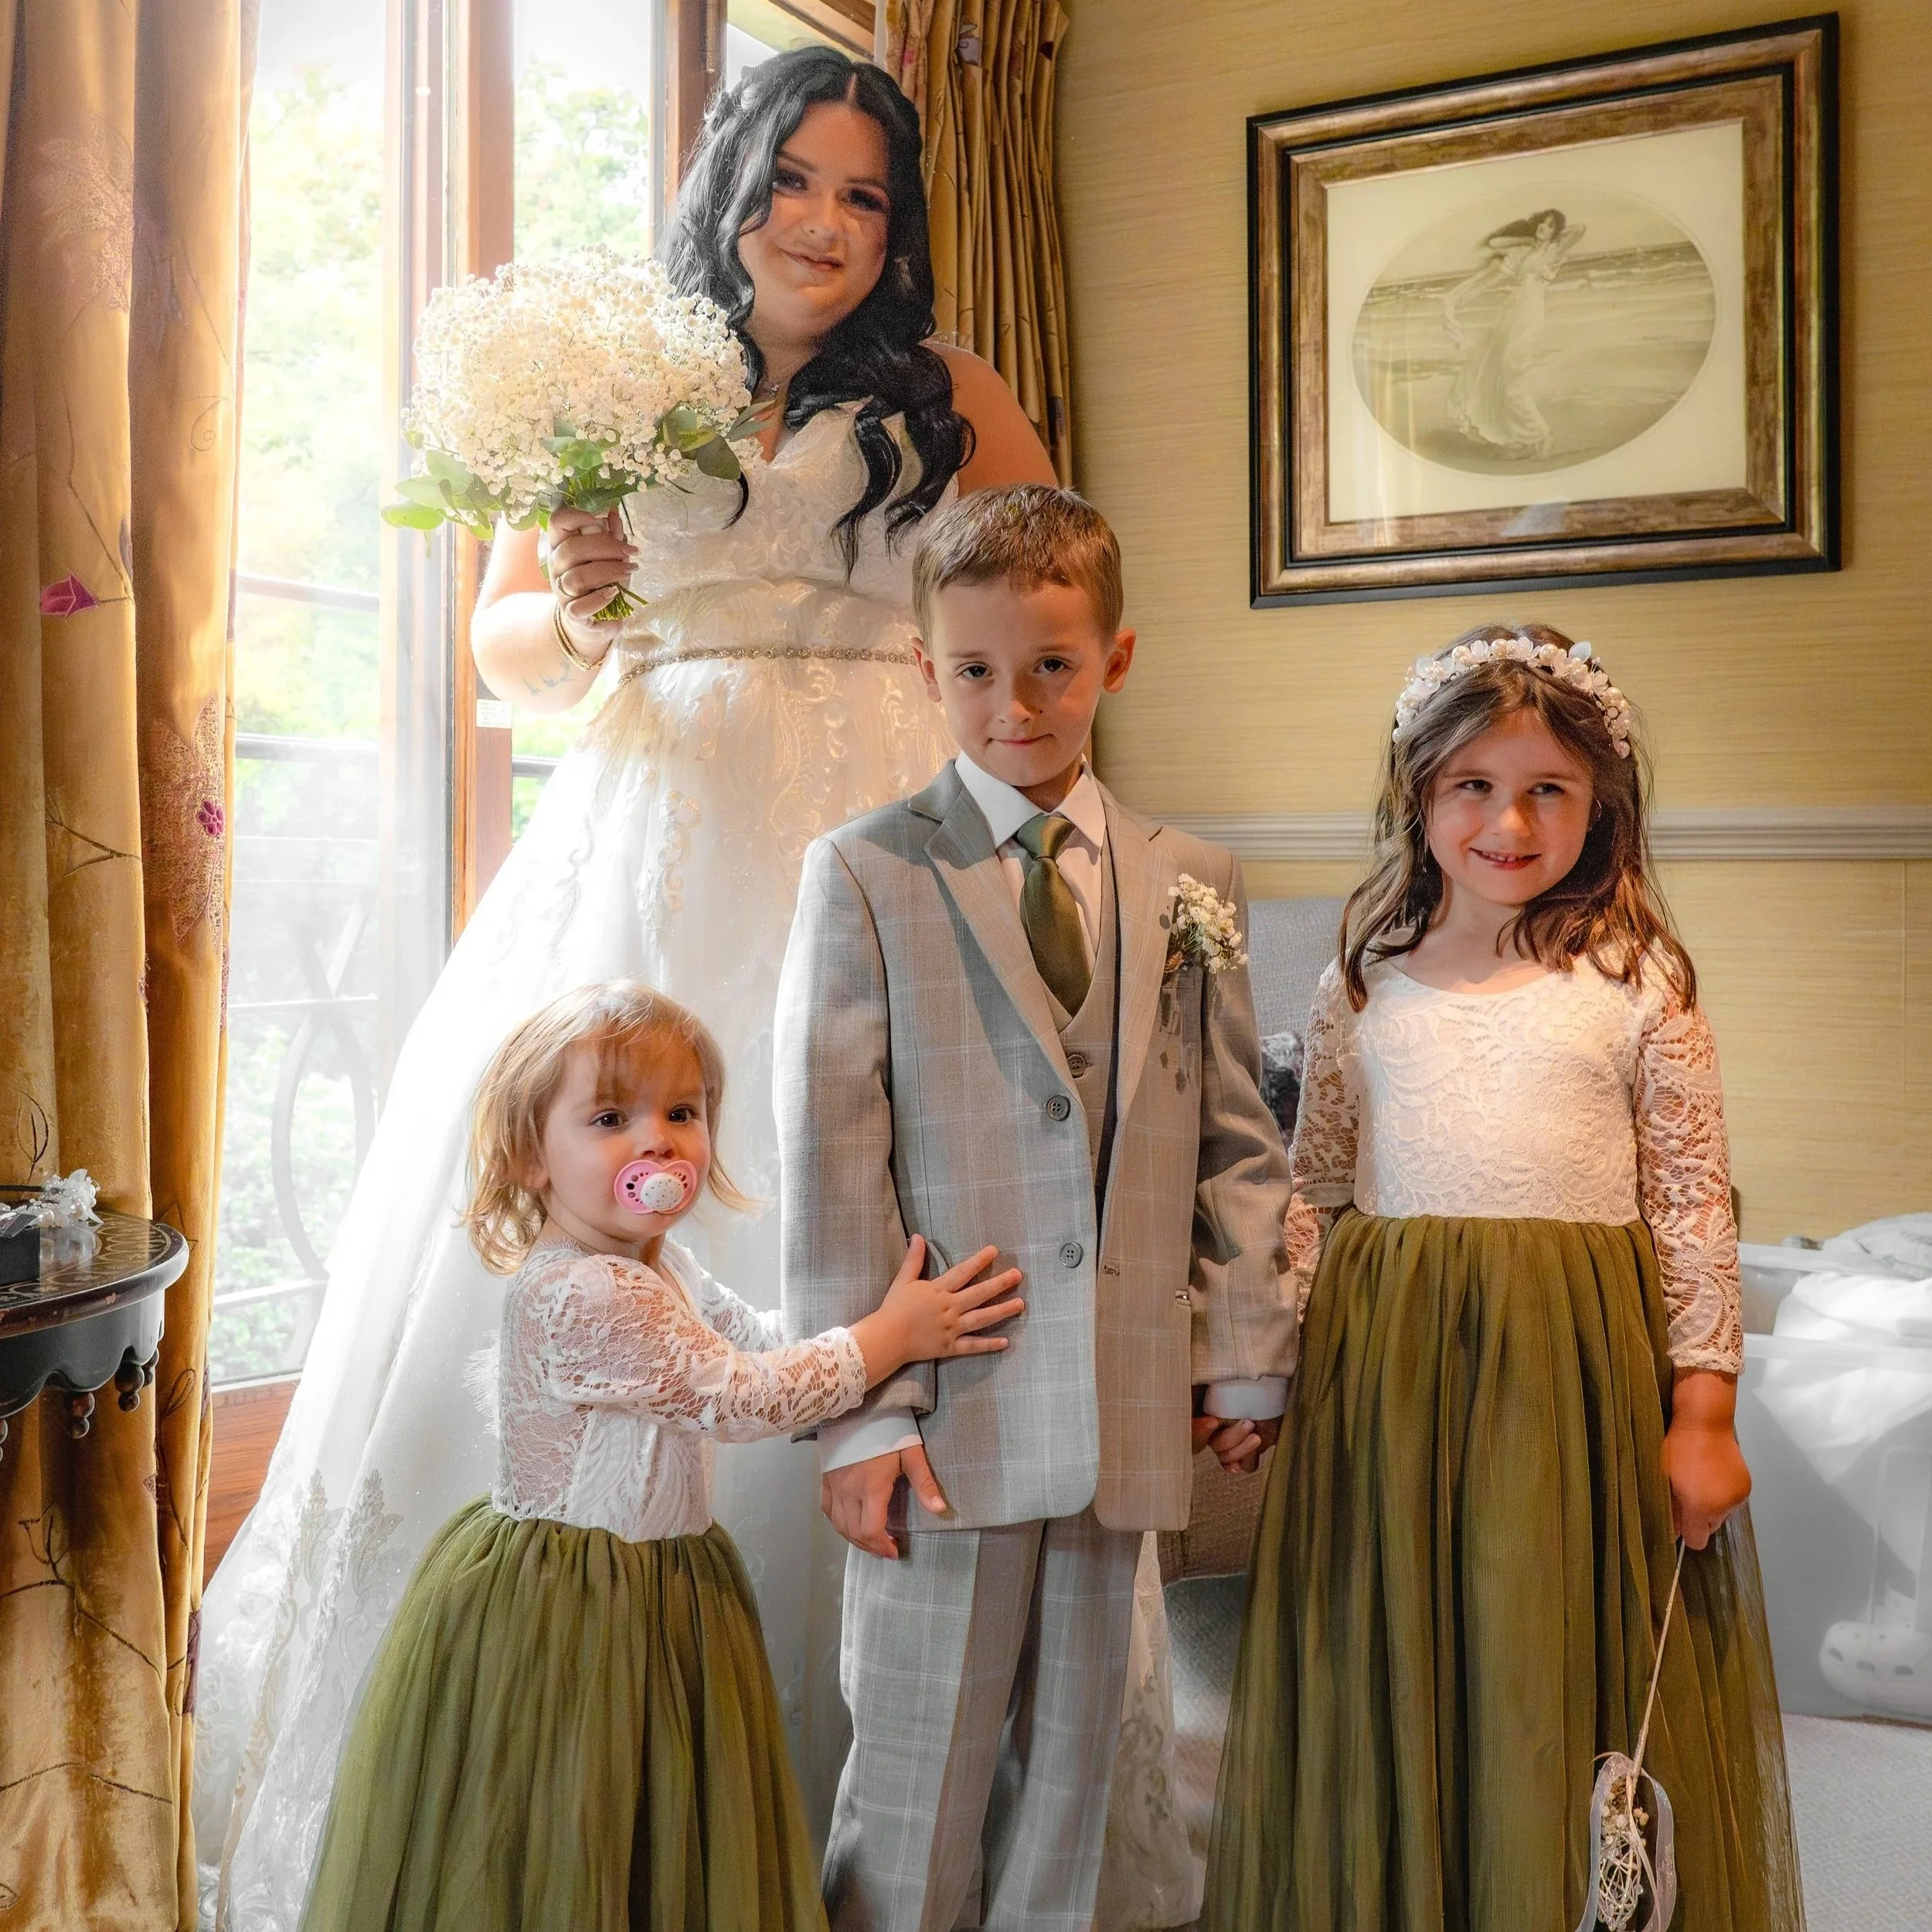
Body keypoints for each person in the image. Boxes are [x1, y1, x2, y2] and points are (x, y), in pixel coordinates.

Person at [192, 45, 1073, 1929]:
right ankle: (550, 1774)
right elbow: (510, 648)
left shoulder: (947, 393)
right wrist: (581, 597)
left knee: (858, 1206)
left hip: (873, 820)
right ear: (728, 180)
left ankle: (884, 1791)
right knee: (588, 1211)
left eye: (866, 195)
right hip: (648, 830)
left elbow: (1037, 607)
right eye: (796, 180)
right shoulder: (621, 381)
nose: (826, 224)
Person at [1203, 626, 1806, 1932]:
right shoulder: (1362, 982)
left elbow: (1694, 1202)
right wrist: (1274, 1369)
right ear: (1419, 798)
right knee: (1403, 1657)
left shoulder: (1640, 985)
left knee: (1541, 1644)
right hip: (1389, 1373)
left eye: (1550, 790)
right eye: (1473, 785)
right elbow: (1318, 1191)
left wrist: (1704, 1411)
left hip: (1568, 1370)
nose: (1511, 820)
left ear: (1605, 807)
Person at [776, 485, 1298, 1932]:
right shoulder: (868, 872)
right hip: (942, 1417)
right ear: (929, 667)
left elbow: (1238, 1140)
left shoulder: (1196, 882)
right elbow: (832, 1156)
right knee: (917, 1783)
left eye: (1054, 666)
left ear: (1115, 660)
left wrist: (1242, 1351)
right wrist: (861, 1409)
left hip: (1122, 1412)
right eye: (978, 670)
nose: (1018, 704)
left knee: (1074, 1787)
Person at [298, 980, 1024, 1931]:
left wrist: (861, 1322)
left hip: (662, 1583)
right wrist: (892, 1336)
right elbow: (739, 1395)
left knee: (659, 1813)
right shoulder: (582, 1296)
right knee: (573, 1816)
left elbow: (753, 1341)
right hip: (571, 1608)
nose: (659, 1140)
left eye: (682, 1112)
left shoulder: (660, 1266)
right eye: (611, 1117)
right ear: (529, 1157)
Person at [1443, 208, 1585, 457]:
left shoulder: (1554, 252)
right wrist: (1529, 238)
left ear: (1556, 232)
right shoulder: (1523, 252)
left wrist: (1553, 237)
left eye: (1550, 225)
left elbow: (1580, 229)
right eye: (1541, 222)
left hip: (1530, 312)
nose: (1543, 226)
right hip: (1511, 311)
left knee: (1513, 373)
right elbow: (1495, 243)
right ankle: (1520, 438)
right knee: (1492, 368)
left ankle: (1542, 436)